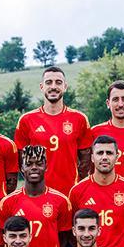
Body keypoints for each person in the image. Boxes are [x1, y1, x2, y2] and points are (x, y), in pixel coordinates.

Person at [14, 66, 91, 197]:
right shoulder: (26, 120)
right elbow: (21, 161)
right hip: (38, 195)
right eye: (49, 82)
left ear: (65, 86)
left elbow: (86, 162)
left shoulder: (79, 119)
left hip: (70, 194)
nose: (53, 86)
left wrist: (78, 187)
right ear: (41, 86)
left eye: (58, 82)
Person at [0, 146, 73, 247]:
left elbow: (64, 240)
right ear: (22, 168)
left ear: (46, 166)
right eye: (29, 164)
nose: (34, 167)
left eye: (39, 163)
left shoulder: (61, 201)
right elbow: (5, 239)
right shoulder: (8, 202)